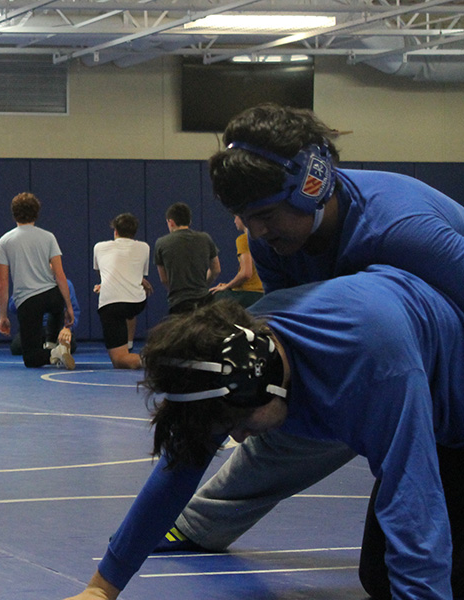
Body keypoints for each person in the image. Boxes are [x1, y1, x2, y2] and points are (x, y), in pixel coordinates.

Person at [158, 103, 464, 598]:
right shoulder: (272, 244)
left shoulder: (403, 227)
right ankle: (197, 523)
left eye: (266, 215)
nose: (257, 233)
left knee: (417, 544)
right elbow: (285, 339)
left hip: (428, 371)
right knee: (271, 415)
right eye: (245, 219)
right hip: (377, 357)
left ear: (312, 185)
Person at [65, 266, 464, 600]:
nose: (238, 439)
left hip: (452, 418)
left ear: (266, 386)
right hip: (416, 389)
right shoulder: (239, 356)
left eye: (239, 425)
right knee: (380, 576)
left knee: (421, 576)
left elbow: (414, 508)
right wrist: (102, 588)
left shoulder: (374, 372)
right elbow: (177, 472)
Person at [0, 192, 76, 370]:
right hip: (52, 295)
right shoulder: (48, 237)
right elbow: (60, 275)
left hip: (28, 300)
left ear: (14, 213)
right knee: (55, 309)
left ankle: (54, 353)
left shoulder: (5, 241)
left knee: (31, 359)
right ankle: (53, 344)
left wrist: (3, 316)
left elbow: (3, 283)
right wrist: (68, 307)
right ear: (36, 213)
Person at [92, 213, 152, 369]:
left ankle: (158, 361)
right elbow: (139, 275)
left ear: (115, 232)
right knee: (127, 305)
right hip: (137, 303)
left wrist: (104, 285)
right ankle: (129, 343)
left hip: (111, 305)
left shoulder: (99, 247)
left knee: (119, 360)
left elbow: (102, 275)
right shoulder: (144, 247)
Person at [153, 202, 220, 315]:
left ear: (171, 222)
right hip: (204, 299)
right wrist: (203, 284)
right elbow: (216, 269)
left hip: (179, 302)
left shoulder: (161, 243)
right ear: (189, 221)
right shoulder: (205, 238)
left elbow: (164, 279)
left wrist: (176, 289)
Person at [8, 279, 79, 357]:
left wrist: (67, 328)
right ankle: (47, 348)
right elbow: (12, 307)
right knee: (17, 346)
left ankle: (48, 347)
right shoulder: (28, 283)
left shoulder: (66, 284)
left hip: (58, 327)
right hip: (35, 327)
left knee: (69, 344)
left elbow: (74, 310)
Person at [209, 214, 264, 308]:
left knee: (212, 296)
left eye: (236, 217)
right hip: (264, 293)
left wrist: (227, 287)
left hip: (250, 294)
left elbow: (246, 273)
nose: (234, 221)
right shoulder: (264, 240)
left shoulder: (243, 239)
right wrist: (230, 286)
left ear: (243, 218)